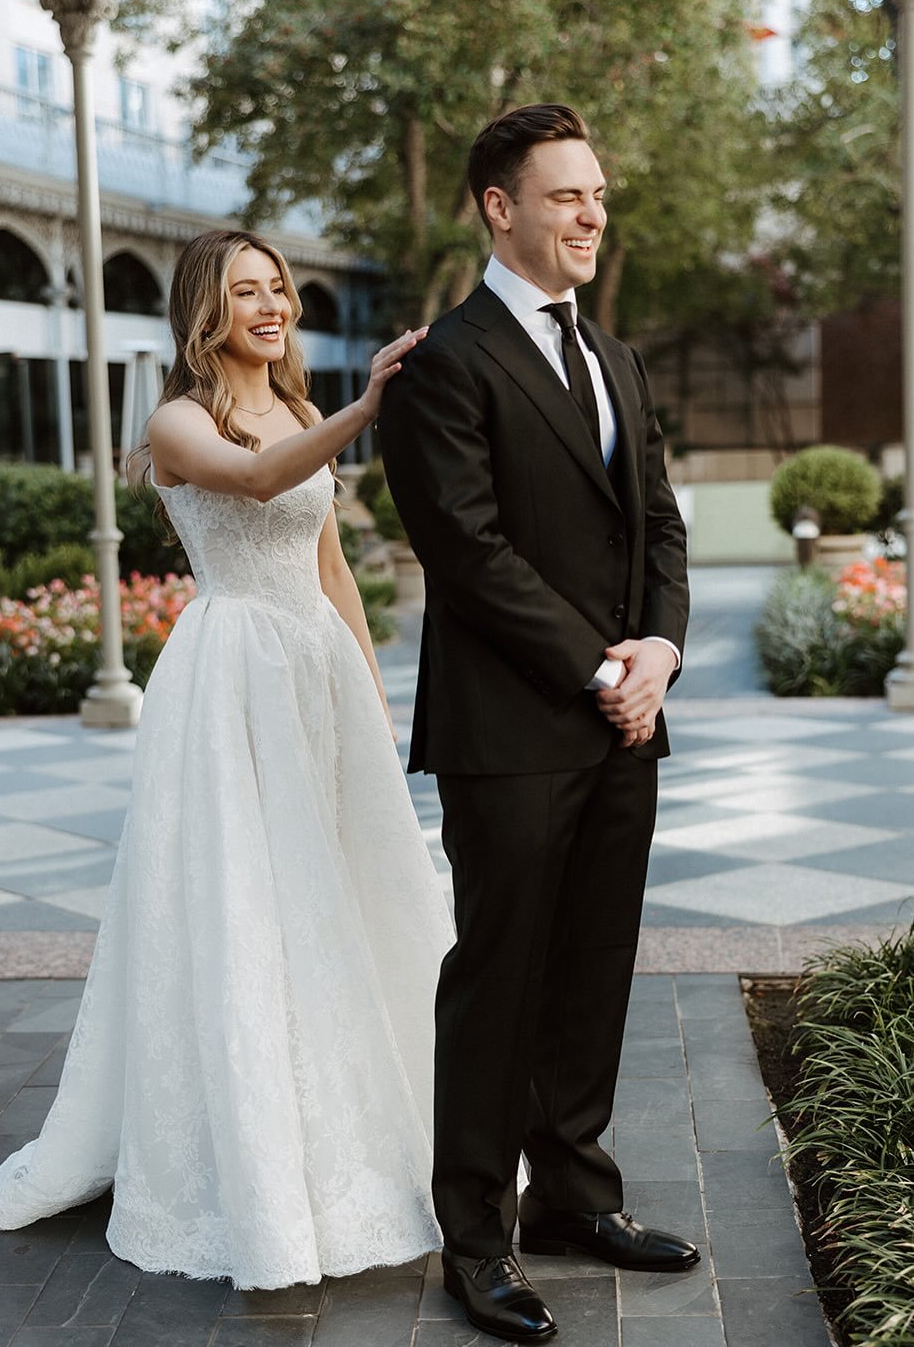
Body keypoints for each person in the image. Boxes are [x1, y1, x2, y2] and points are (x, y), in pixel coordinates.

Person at [0, 228, 454, 1290]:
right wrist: (365, 407)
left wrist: (372, 709)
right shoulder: (175, 420)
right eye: (247, 290)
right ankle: (253, 1164)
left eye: (278, 287)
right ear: (207, 307)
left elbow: (328, 561)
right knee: (252, 905)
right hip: (231, 676)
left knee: (337, 893)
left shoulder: (295, 407)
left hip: (312, 672)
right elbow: (250, 485)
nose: (271, 304)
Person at [378, 104, 695, 1344]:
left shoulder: (613, 355)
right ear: (498, 208)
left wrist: (657, 654)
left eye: (598, 196)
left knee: (590, 970)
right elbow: (466, 551)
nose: (590, 216)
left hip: (623, 721)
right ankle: (475, 1239)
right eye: (566, 196)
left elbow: (655, 523)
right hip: (511, 729)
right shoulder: (442, 363)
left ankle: (574, 1199)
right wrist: (595, 670)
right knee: (497, 982)